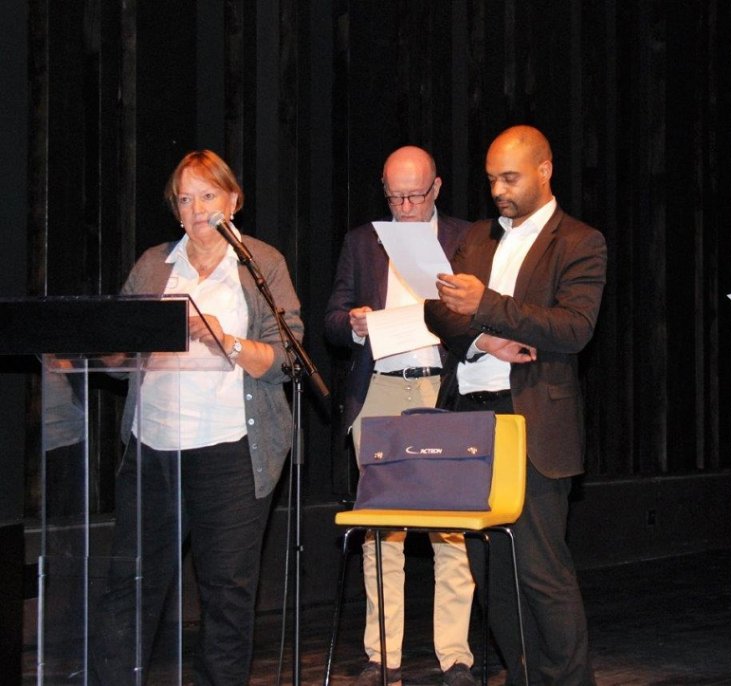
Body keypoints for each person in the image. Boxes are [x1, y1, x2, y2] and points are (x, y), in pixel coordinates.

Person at [91, 149, 304, 684]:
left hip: (231, 454)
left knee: (228, 594)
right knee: (130, 586)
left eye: (207, 195)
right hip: (153, 453)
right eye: (184, 199)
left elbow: (287, 357)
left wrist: (225, 339)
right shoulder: (153, 265)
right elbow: (116, 362)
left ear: (232, 200)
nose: (196, 209)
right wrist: (102, 348)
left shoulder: (261, 264)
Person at [426, 125, 606, 685]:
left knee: (539, 568)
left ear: (544, 170)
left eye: (510, 177)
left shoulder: (579, 241)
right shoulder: (477, 238)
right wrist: (484, 336)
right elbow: (439, 311)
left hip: (531, 420)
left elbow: (574, 327)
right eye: (491, 179)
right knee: (490, 568)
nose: (498, 189)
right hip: (471, 416)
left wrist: (488, 306)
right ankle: (523, 675)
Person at [324, 146, 476, 686]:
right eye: (394, 196)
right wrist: (355, 324)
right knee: (381, 530)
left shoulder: (468, 238)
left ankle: (454, 654)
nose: (405, 206)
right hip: (382, 390)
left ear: (436, 188)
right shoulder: (363, 241)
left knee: (448, 528)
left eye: (414, 195)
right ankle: (381, 653)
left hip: (442, 391)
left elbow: (486, 312)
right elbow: (332, 319)